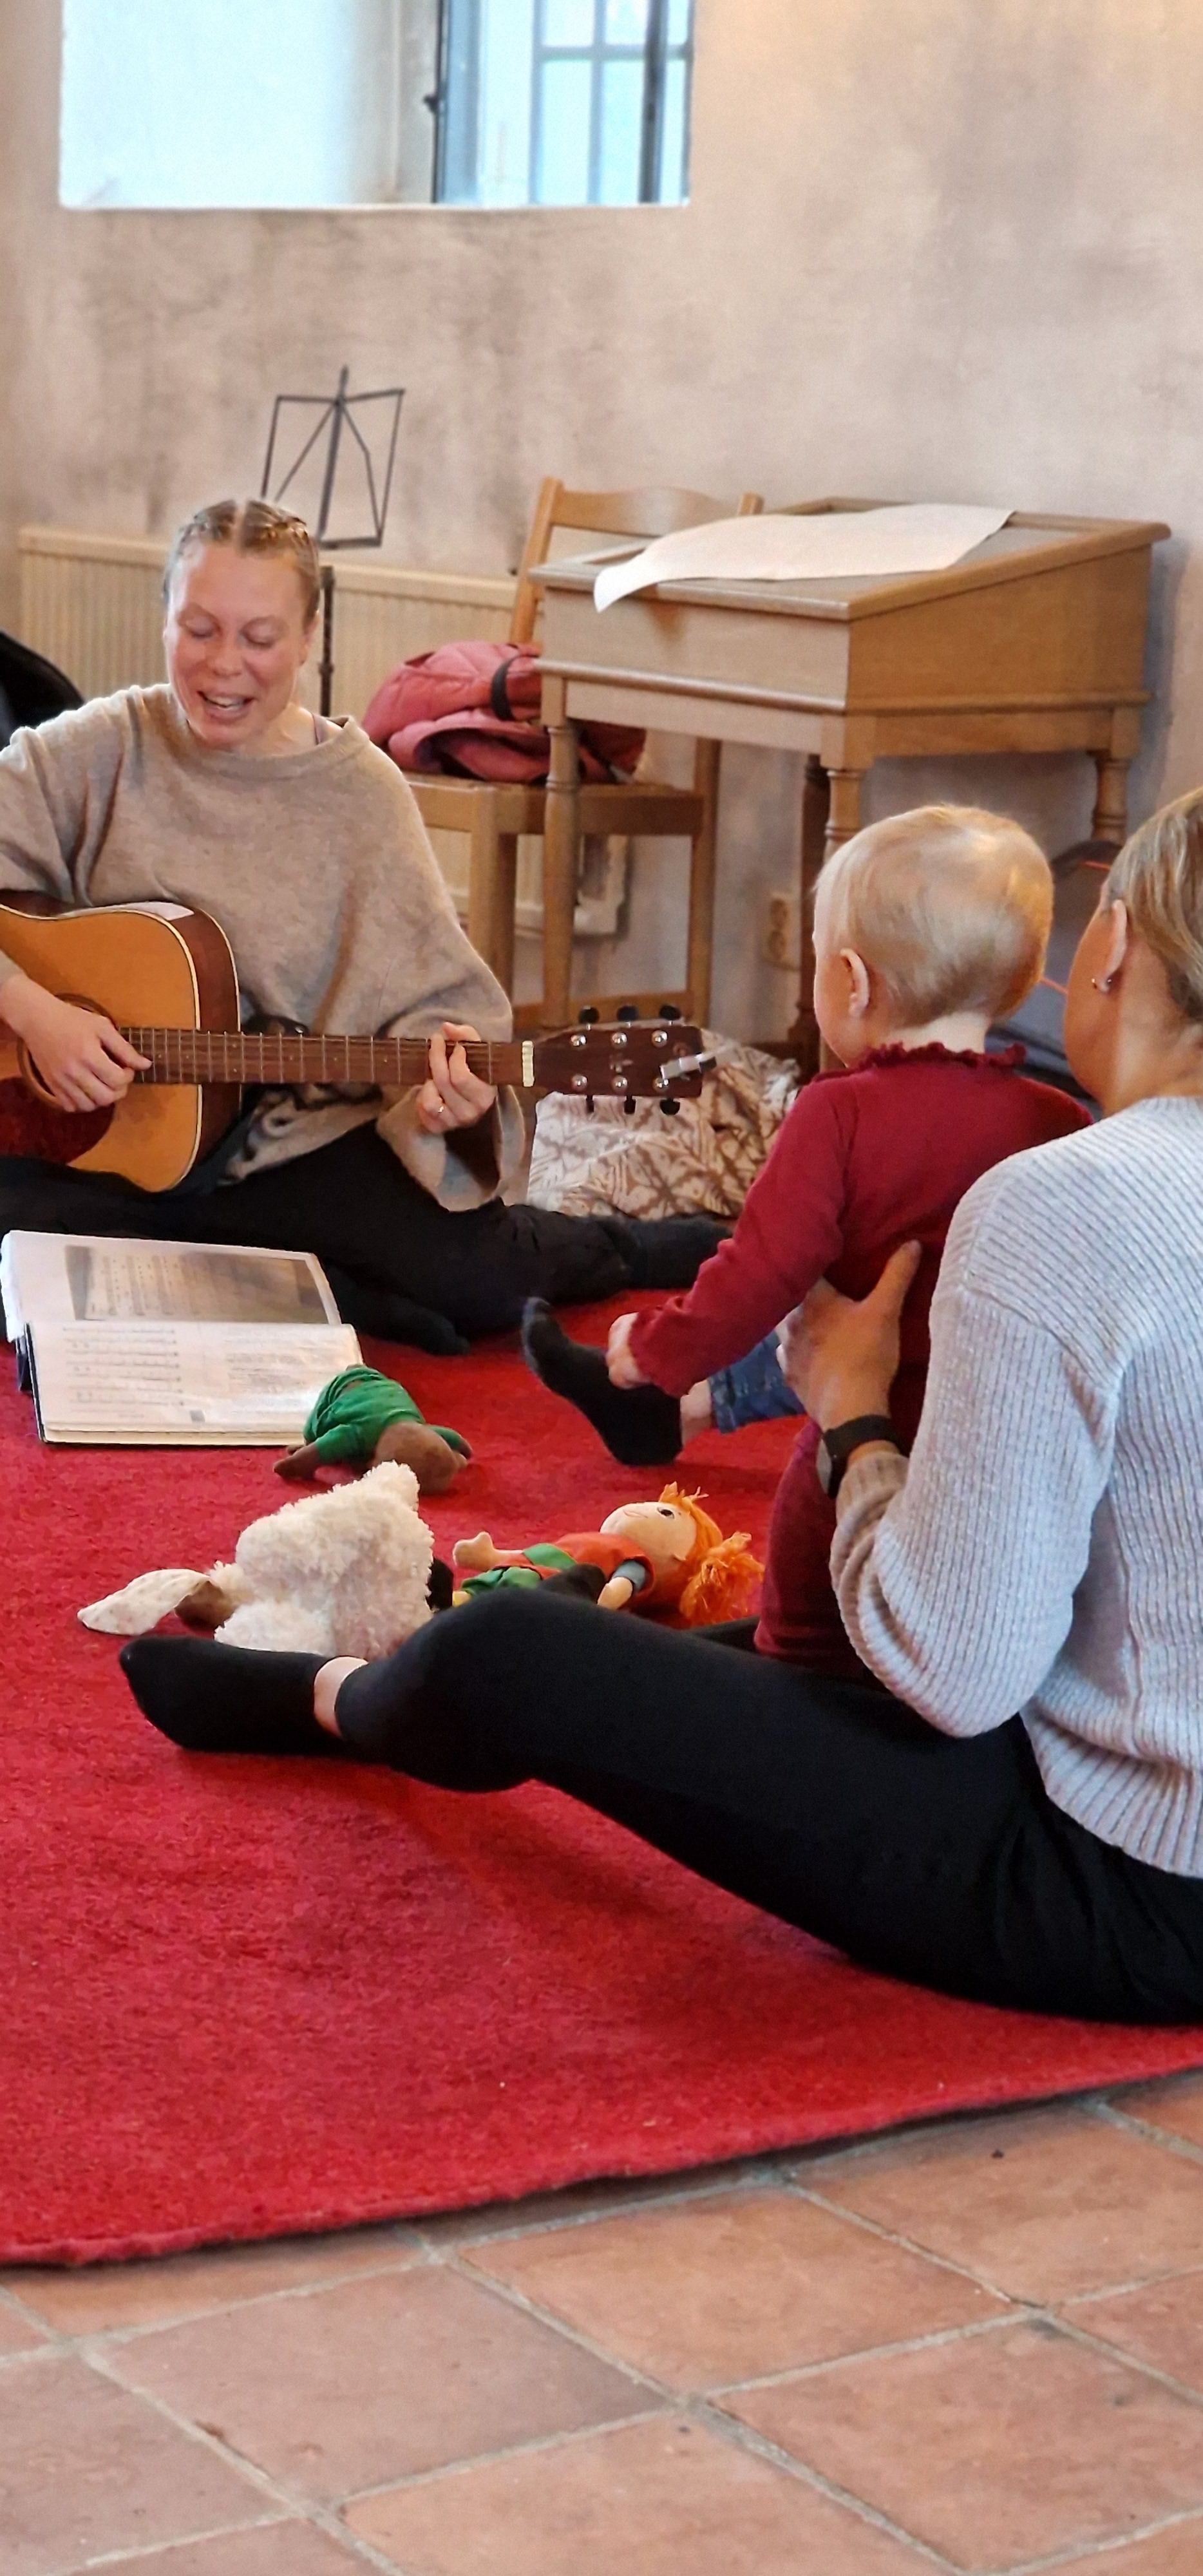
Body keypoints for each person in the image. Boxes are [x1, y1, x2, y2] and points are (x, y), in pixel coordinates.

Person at [123, 787, 1203, 2025]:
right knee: (722, 1660)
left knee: (513, 1649)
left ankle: (337, 1700)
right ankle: (443, 1677)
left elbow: (953, 1673)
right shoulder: (1050, 1148)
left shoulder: (1060, 1198)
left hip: (1131, 1882)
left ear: (1111, 949)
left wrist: (850, 1415)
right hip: (1125, 1777)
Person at [0, 499, 719, 1350]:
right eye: (198, 629)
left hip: (292, 1146)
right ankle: (318, 1289)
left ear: (309, 636)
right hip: (111, 1146)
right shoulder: (97, 749)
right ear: (164, 620)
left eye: (259, 638)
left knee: (478, 1284)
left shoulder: (361, 794)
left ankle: (619, 1247)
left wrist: (456, 1096)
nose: (224, 666)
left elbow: (438, 1007)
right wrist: (32, 1009)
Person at [524, 808, 1089, 1671]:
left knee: (803, 1614)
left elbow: (764, 1268)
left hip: (864, 1435)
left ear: (852, 982)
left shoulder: (841, 1112)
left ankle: (791, 1677)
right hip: (991, 1464)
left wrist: (663, 1348)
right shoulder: (1056, 1118)